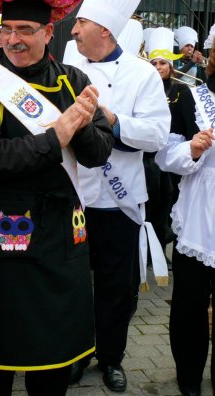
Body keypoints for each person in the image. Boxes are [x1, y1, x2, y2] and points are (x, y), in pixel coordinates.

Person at [0, 1, 113, 395]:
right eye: (6, 29)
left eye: (24, 30)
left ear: (48, 33)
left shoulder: (73, 79)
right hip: (4, 235)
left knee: (52, 359)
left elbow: (99, 153)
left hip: (61, 238)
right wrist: (56, 137)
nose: (12, 39)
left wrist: (80, 127)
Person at [66, 0, 171, 392]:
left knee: (115, 288)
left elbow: (158, 135)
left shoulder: (142, 75)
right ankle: (74, 354)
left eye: (81, 23)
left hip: (119, 200)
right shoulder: (67, 71)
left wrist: (114, 121)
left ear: (105, 30)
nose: (73, 31)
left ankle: (110, 357)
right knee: (74, 283)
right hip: (74, 199)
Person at [155, 37, 215, 396]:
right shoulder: (192, 97)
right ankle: (189, 377)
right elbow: (164, 155)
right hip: (198, 216)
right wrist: (190, 150)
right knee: (191, 305)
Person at [145, 28, 198, 251]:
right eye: (154, 63)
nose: (158, 68)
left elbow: (190, 128)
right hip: (148, 157)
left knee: (169, 203)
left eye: (163, 63)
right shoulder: (144, 90)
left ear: (170, 65)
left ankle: (162, 247)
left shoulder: (181, 91)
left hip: (174, 159)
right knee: (149, 204)